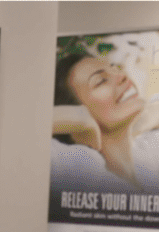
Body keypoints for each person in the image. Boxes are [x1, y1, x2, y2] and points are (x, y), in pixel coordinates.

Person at [51, 52, 159, 193]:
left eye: (115, 69)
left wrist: (142, 120)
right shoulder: (76, 168)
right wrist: (81, 118)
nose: (123, 76)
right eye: (101, 81)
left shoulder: (148, 151)